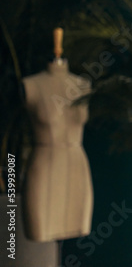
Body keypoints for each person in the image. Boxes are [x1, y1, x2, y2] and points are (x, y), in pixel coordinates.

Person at [22, 28, 93, 242]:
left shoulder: (83, 85)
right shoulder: (31, 85)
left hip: (77, 169)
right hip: (43, 170)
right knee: (40, 232)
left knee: (78, 231)